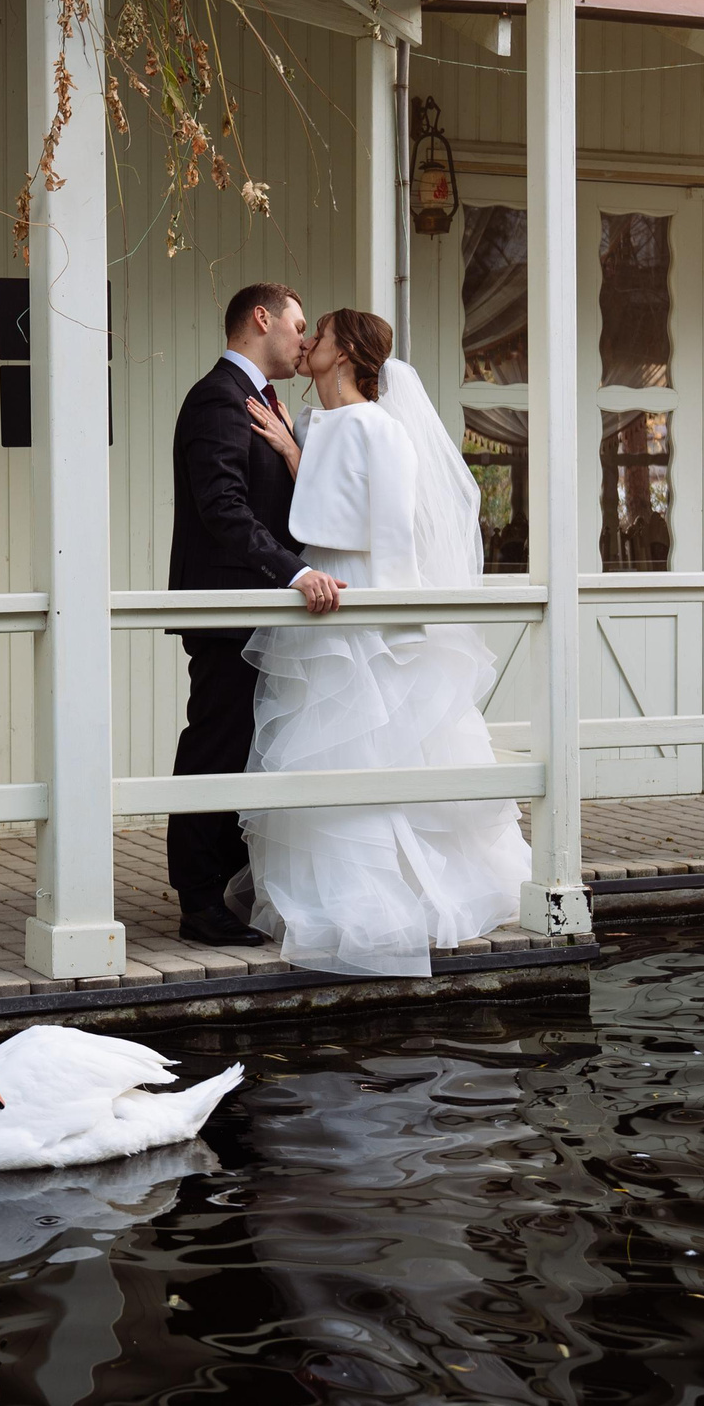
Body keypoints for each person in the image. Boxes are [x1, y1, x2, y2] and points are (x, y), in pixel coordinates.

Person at [237, 309, 528, 976]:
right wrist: (294, 451)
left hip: (365, 602)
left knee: (376, 742)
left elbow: (392, 530)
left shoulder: (381, 428)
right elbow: (325, 504)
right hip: (318, 594)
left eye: (322, 335)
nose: (307, 342)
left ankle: (389, 901)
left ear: (344, 355)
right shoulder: (317, 422)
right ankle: (319, 896)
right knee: (320, 746)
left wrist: (401, 631)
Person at [164, 283, 346, 947]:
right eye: (298, 325)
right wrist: (294, 573)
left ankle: (233, 889)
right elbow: (224, 509)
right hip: (228, 611)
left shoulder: (269, 405)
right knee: (215, 746)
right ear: (261, 319)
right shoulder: (217, 398)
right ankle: (199, 901)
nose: (304, 340)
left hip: (263, 616)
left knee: (249, 751)